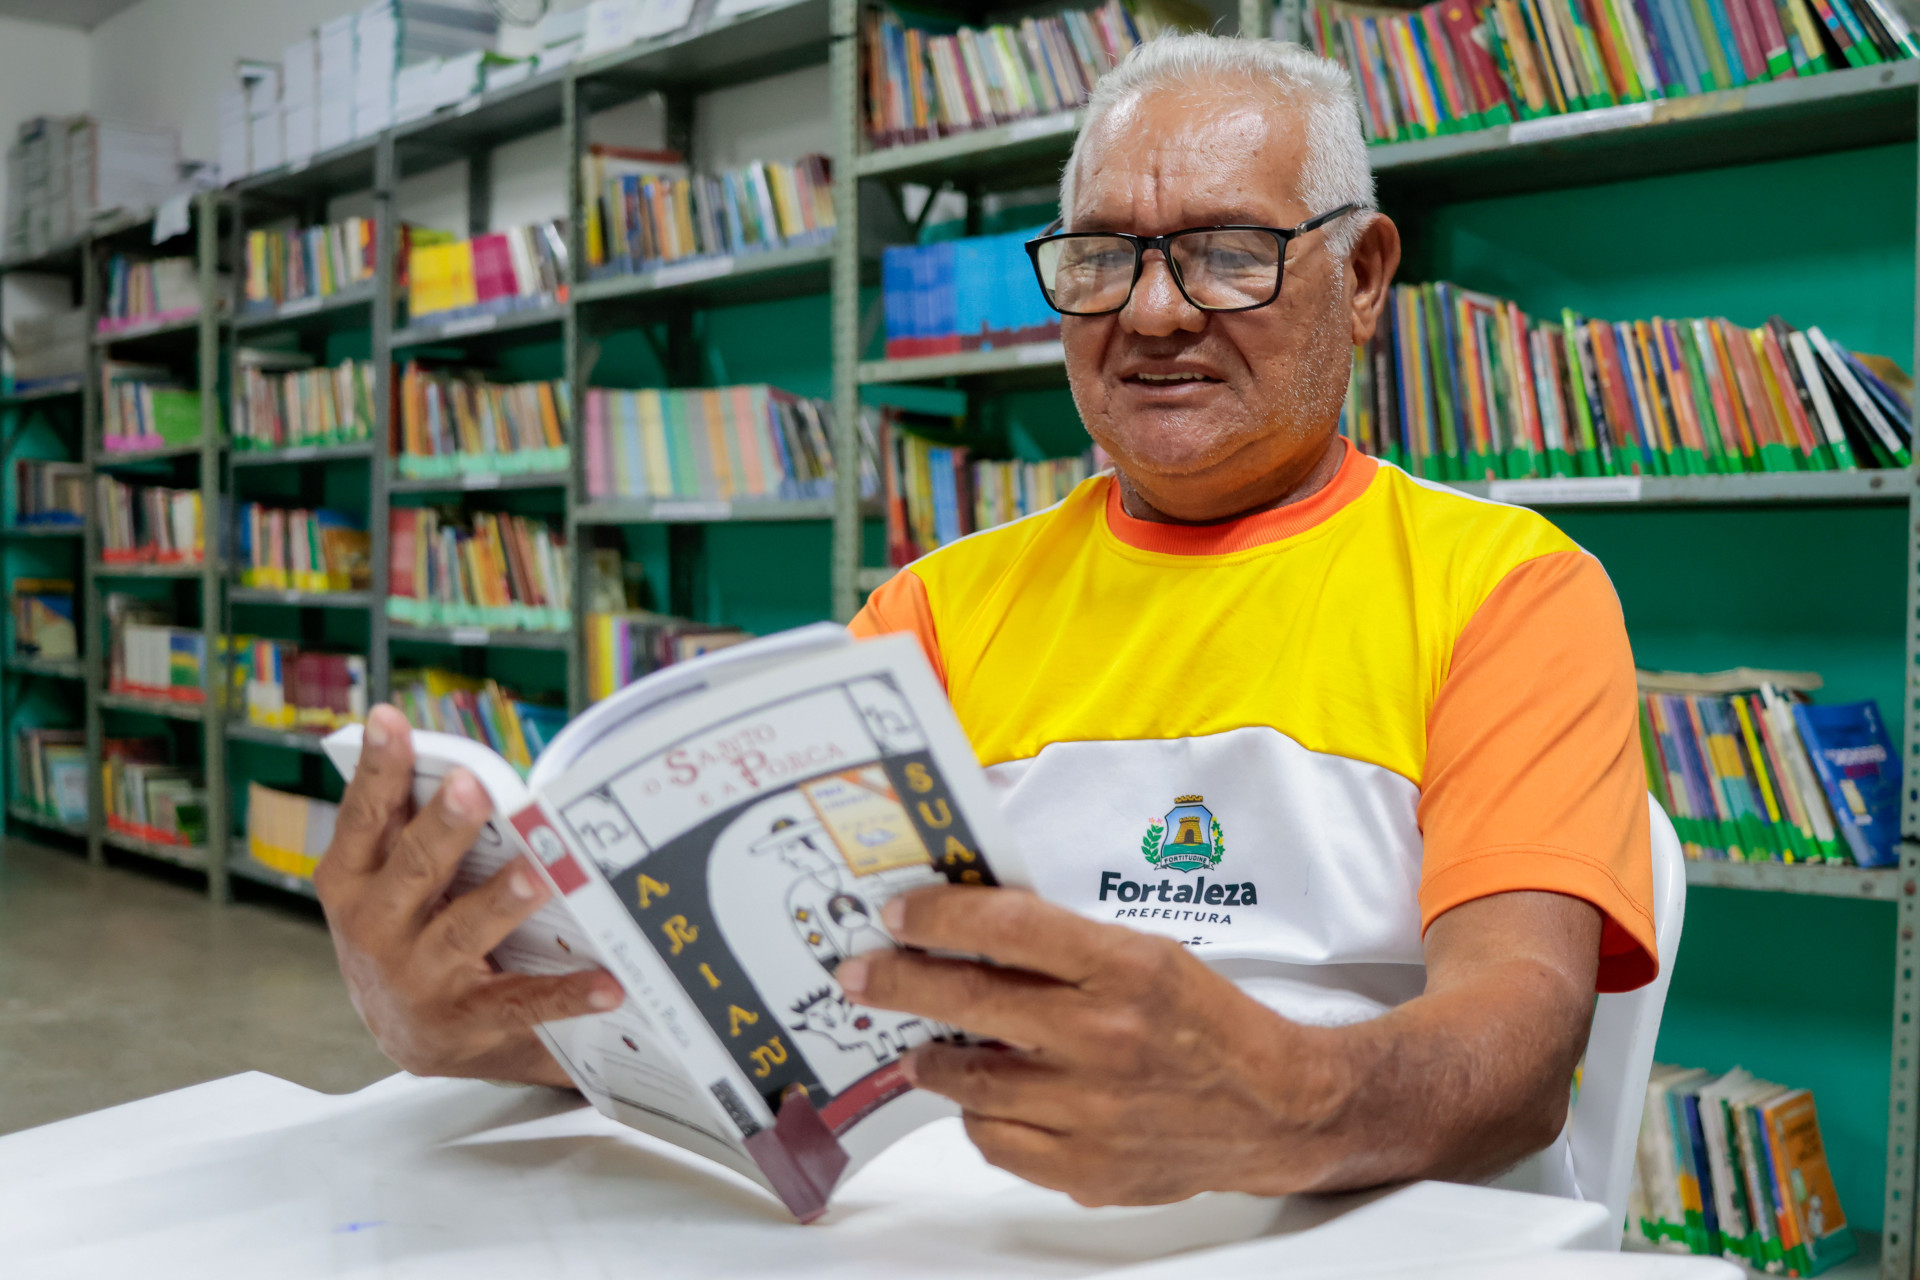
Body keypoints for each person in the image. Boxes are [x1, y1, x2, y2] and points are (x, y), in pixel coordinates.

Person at [315, 34, 1656, 1209]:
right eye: (1101, 259)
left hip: (1365, 1233)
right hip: (991, 1226)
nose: (1152, 311)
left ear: (1362, 279)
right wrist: (459, 1021)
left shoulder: (1510, 589)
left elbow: (1523, 1050)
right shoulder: (935, 612)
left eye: (1230, 254)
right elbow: (765, 1040)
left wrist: (1279, 1097)